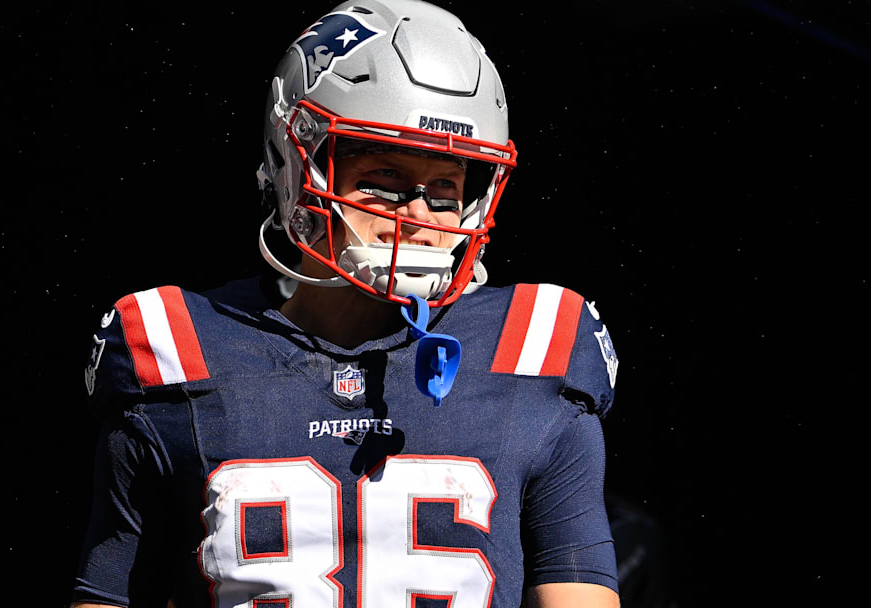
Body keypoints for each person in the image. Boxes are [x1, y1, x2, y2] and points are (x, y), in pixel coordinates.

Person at [72, 1, 622, 607]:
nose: (416, 216)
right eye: (383, 179)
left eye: (444, 187)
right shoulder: (177, 349)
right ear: (296, 166)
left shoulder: (538, 346)